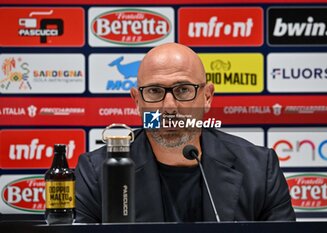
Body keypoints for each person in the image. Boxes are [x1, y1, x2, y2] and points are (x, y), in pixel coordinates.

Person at [75, 43, 296, 223]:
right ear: (137, 101)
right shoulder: (97, 172)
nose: (169, 106)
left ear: (207, 97)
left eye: (183, 90)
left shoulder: (258, 168)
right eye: (154, 91)